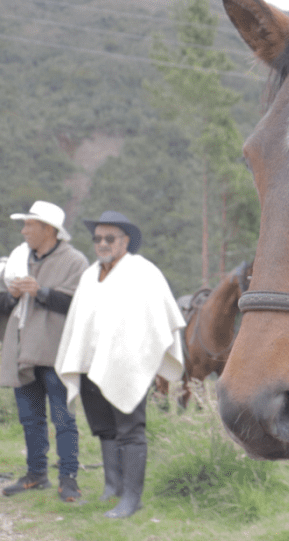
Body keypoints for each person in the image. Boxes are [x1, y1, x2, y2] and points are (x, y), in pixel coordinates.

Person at [53, 211, 185, 518]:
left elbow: (157, 319)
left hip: (128, 366)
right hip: (90, 366)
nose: (102, 243)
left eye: (109, 238)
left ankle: (132, 498)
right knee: (105, 430)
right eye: (97, 238)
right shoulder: (90, 275)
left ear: (125, 241)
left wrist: (138, 355)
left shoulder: (143, 272)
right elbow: (79, 324)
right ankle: (112, 488)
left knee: (130, 431)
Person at [1, 201, 89, 502]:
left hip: (56, 353)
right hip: (23, 353)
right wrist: (11, 295)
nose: (24, 231)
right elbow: (3, 307)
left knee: (64, 419)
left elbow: (80, 305)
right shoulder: (18, 259)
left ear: (48, 230)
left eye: (29, 225)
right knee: (30, 419)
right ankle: (36, 474)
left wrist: (41, 292)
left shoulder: (75, 261)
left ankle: (69, 479)